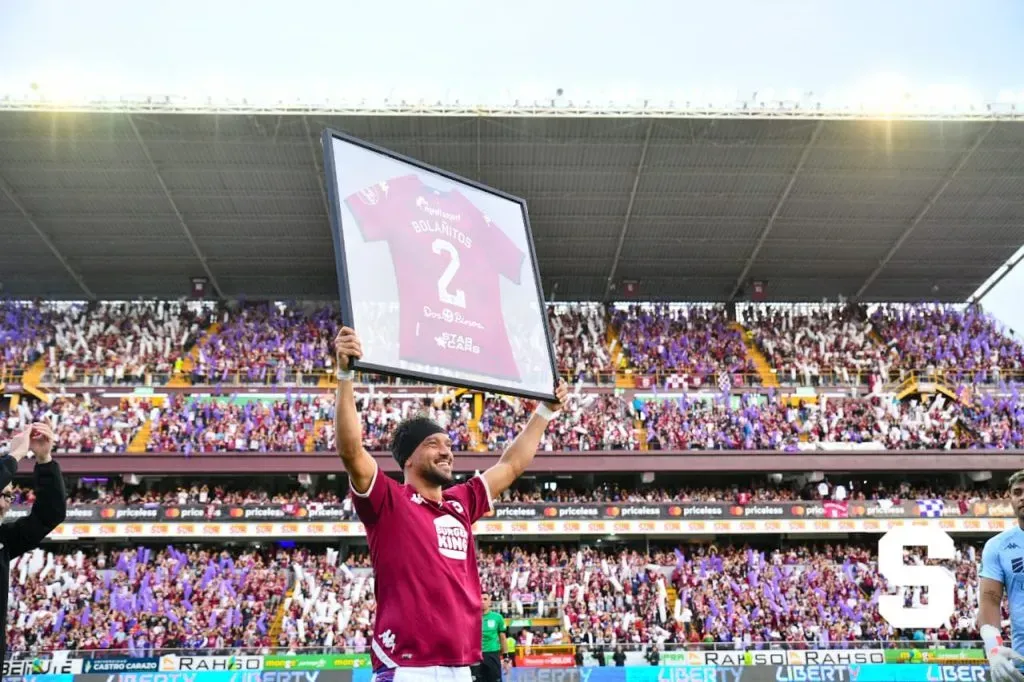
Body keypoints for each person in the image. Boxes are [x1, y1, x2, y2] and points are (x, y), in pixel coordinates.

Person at [333, 326, 568, 682]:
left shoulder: (462, 501)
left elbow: (512, 464)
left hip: (461, 665)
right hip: (407, 666)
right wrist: (346, 375)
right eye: (433, 443)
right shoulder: (387, 500)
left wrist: (546, 412)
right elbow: (351, 451)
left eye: (447, 443)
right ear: (408, 459)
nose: (447, 451)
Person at [0, 421, 67, 664]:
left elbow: (50, 515)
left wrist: (44, 460)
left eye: (7, 496)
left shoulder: (3, 541)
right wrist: (16, 454)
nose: (2, 504)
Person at [979, 470, 1024, 682]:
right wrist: (993, 647)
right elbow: (990, 601)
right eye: (1018, 492)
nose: (1023, 496)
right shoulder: (997, 546)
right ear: (1011, 498)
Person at [473, 594, 506, 682]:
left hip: (492, 655)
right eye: (480, 599)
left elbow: (502, 637)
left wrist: (506, 657)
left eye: (485, 599)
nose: (482, 601)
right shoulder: (472, 617)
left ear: (490, 601)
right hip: (476, 656)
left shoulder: (497, 617)